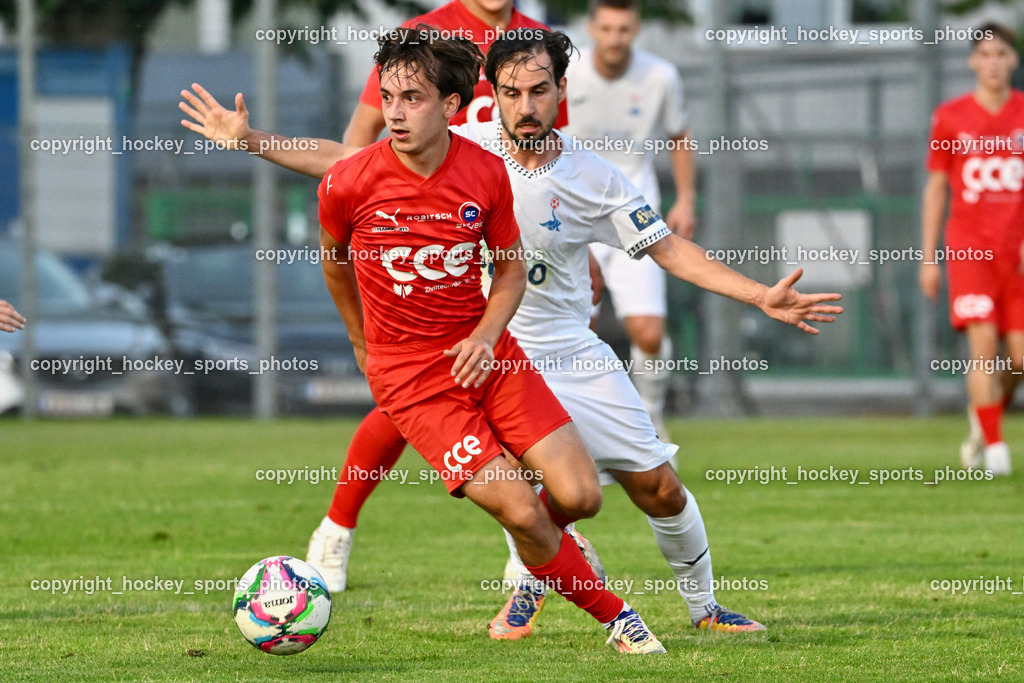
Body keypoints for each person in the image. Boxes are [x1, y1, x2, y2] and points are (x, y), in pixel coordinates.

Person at [180, 29, 841, 640]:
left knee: (656, 487)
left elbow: (669, 250)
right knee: (518, 493)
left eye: (540, 89)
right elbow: (346, 160)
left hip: (567, 346)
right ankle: (531, 576)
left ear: (561, 92)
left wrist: (761, 294)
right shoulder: (455, 139)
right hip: (479, 349)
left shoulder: (594, 176)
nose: (526, 105)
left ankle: (703, 608)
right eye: (512, 91)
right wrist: (251, 138)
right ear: (490, 95)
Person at [313, 26, 666, 653]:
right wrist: (363, 346)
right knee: (524, 513)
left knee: (581, 497)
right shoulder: (349, 183)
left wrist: (484, 335)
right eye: (388, 98)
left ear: (451, 106)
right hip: (415, 381)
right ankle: (620, 620)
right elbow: (334, 261)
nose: (394, 113)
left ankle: (549, 563)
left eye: (412, 98)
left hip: (492, 358)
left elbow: (508, 268)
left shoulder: (485, 170)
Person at [564, 0, 695, 437]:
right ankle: (581, 428)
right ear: (592, 27)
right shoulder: (566, 71)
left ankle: (651, 420)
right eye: (606, 28)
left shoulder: (660, 76)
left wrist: (686, 200)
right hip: (573, 217)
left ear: (635, 28)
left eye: (623, 29)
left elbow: (680, 136)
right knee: (579, 329)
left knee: (649, 333)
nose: (615, 38)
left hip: (634, 214)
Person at [920, 22, 1024, 476]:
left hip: (1017, 255)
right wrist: (928, 257)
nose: (994, 62)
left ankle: (984, 420)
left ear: (1014, 60)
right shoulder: (950, 116)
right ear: (972, 62)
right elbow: (937, 187)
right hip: (970, 251)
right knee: (983, 346)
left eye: (1002, 53)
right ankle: (996, 449)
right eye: (985, 53)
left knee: (1019, 360)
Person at [345, 0, 568, 147]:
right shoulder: (422, 34)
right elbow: (363, 127)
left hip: (519, 199)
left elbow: (552, 137)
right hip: (445, 200)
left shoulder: (542, 41)